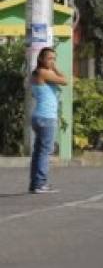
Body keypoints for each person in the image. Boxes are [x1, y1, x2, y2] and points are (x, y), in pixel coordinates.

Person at [29, 47, 67, 194]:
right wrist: (55, 68)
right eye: (50, 58)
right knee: (44, 152)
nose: (52, 61)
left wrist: (53, 66)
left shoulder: (38, 73)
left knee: (38, 152)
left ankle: (35, 184)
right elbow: (64, 80)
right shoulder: (43, 73)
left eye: (54, 59)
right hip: (46, 118)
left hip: (40, 117)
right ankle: (40, 184)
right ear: (41, 59)